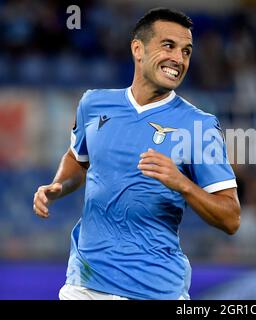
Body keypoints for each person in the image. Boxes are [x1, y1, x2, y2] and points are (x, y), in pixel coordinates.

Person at [32, 8, 240, 300]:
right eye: (168, 46)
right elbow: (77, 159)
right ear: (138, 49)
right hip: (85, 285)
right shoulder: (93, 103)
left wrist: (181, 183)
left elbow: (231, 218)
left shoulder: (199, 126)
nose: (179, 59)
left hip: (155, 290)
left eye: (187, 51)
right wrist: (58, 187)